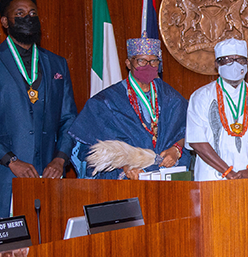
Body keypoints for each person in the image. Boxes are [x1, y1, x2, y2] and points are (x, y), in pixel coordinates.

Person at [0, 0, 78, 217]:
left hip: (48, 177)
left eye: (33, 13)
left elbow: (69, 119)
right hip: (4, 177)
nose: (28, 18)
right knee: (6, 251)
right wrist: (10, 160)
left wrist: (60, 159)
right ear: (5, 21)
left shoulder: (57, 64)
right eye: (20, 13)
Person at [68, 35, 189, 179]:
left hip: (165, 181)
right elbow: (88, 148)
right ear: (128, 63)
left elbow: (188, 132)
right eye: (141, 61)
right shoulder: (105, 102)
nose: (147, 66)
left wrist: (176, 149)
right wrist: (123, 165)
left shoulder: (172, 98)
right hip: (124, 183)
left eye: (153, 61)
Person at [186, 38, 248, 180]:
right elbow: (196, 140)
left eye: (240, 59)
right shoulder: (201, 96)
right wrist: (228, 172)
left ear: (247, 63)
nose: (234, 64)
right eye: (227, 60)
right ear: (216, 64)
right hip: (213, 177)